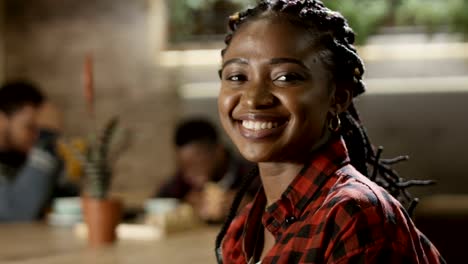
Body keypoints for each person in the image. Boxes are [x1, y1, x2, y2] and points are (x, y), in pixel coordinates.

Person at [215, 1, 445, 263]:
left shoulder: (353, 216)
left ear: (338, 97)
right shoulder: (243, 229)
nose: (253, 99)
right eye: (236, 77)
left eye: (286, 77)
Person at [156, 118, 256, 222]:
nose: (188, 174)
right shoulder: (182, 181)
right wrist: (186, 205)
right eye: (184, 166)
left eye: (195, 165)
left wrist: (252, 205)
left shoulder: (252, 174)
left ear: (219, 152)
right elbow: (156, 204)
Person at [0, 81, 64, 222]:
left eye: (40, 130)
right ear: (2, 119)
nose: (36, 136)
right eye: (29, 127)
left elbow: (61, 199)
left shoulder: (19, 157)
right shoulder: (41, 146)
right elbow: (15, 213)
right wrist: (46, 138)